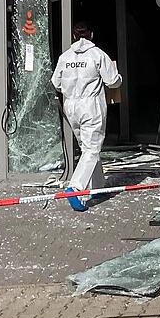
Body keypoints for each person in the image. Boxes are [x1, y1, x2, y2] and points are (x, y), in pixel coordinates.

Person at [51, 22, 122, 211]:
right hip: (91, 105)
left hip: (71, 106)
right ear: (92, 34)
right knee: (91, 149)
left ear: (74, 36)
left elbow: (56, 83)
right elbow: (112, 81)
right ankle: (76, 188)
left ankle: (98, 187)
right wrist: (120, 79)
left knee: (87, 148)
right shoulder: (97, 54)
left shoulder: (65, 57)